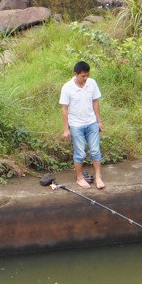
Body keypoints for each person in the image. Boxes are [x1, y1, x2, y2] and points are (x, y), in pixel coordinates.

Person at [60, 60, 106, 190]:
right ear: (76, 74)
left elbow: (95, 102)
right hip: (76, 125)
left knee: (95, 151)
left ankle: (98, 177)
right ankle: (79, 178)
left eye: (87, 75)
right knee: (80, 153)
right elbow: (64, 108)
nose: (86, 78)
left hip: (91, 122)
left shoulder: (92, 83)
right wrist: (66, 129)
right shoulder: (67, 87)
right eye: (83, 76)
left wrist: (99, 121)